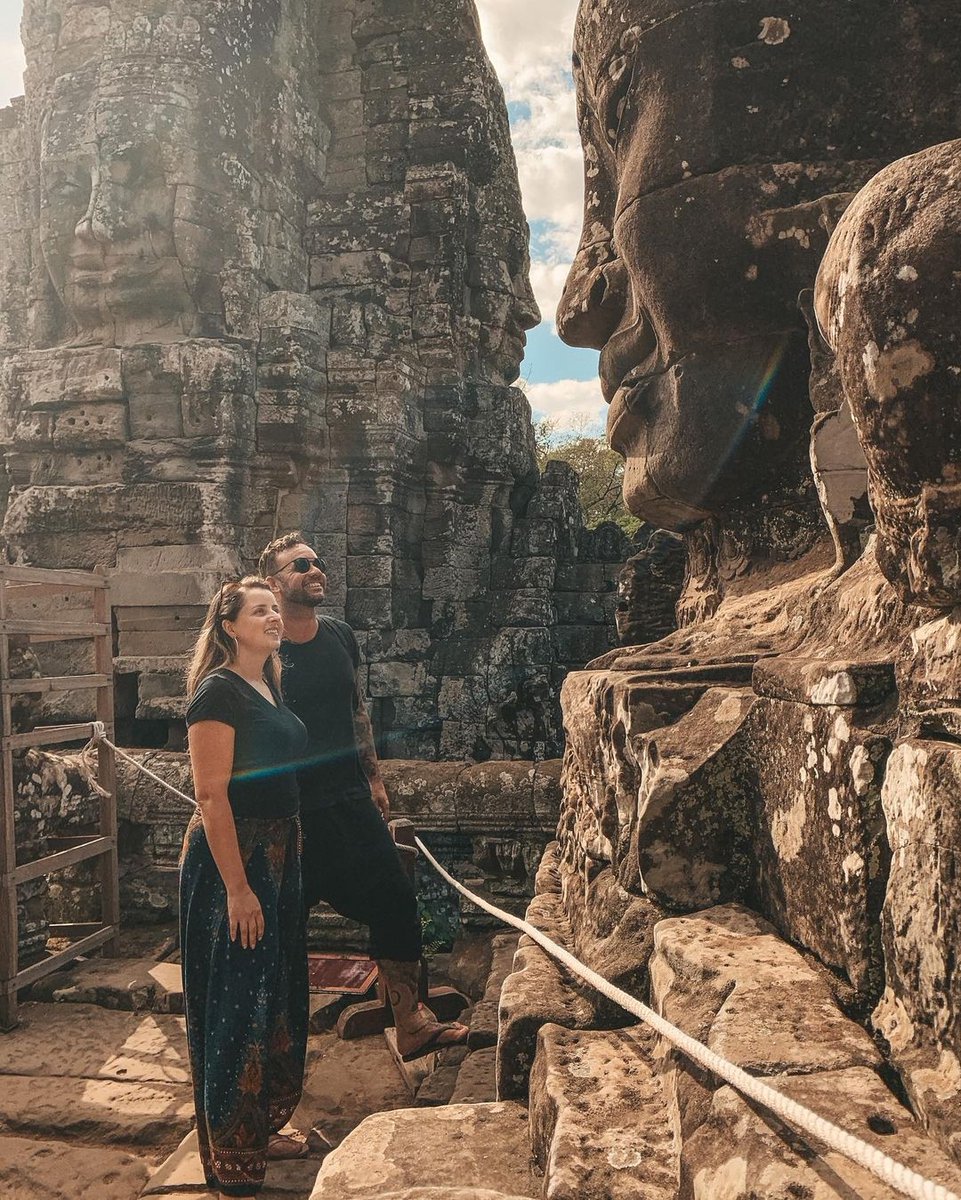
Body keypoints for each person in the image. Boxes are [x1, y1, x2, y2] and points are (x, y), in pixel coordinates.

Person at [258, 532, 469, 1061]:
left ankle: (411, 1019)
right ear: (272, 583)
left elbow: (356, 711)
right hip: (290, 809)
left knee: (395, 900)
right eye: (300, 564)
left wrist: (373, 777)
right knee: (283, 928)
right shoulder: (261, 646)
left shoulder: (339, 635)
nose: (315, 569)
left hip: (348, 798)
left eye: (317, 561)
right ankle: (273, 1041)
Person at [181, 577, 311, 1198]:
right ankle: (231, 1156)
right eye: (259, 609)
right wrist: (237, 886)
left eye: (274, 609)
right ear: (229, 624)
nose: (273, 616)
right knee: (237, 1000)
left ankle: (256, 1128)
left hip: (278, 857)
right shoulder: (218, 691)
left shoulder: (269, 682)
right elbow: (211, 795)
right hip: (235, 861)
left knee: (274, 991)